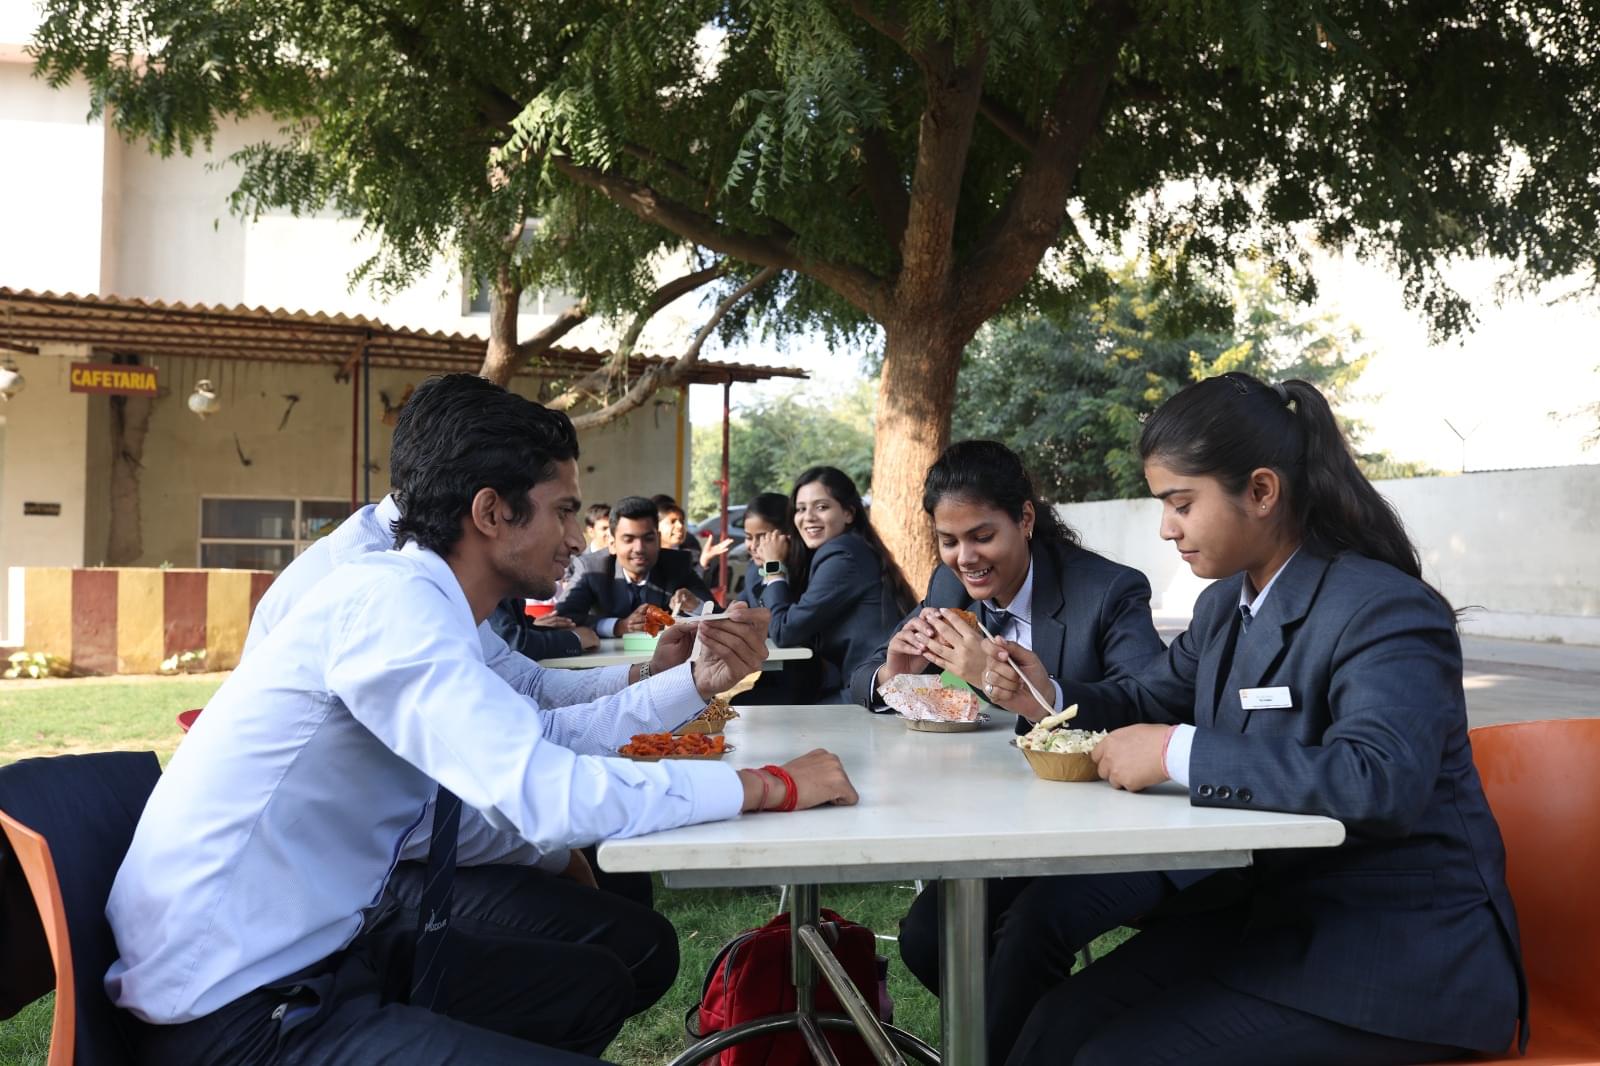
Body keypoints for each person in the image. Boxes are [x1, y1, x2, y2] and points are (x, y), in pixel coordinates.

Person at [109, 374, 859, 1065]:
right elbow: (547, 795)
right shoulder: (386, 603)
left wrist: (693, 683)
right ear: (492, 512)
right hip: (240, 1012)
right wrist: (769, 788)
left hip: (325, 951)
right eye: (565, 510)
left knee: (591, 984)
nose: (579, 537)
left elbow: (541, 727)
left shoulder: (421, 594)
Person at [985, 373, 1525, 1066]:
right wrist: (1045, 688)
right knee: (1058, 1023)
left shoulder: (1383, 609)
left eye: (1181, 503)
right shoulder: (1224, 609)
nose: (1166, 527)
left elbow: (1382, 779)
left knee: (1110, 1056)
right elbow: (1149, 701)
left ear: (1263, 491)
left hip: (1394, 959)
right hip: (1267, 920)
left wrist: (1181, 753)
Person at [853, 440, 1168, 1062]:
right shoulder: (949, 586)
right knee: (925, 936)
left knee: (1024, 936)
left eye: (981, 536)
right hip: (1004, 821)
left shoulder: (1107, 591)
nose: (965, 558)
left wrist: (1036, 692)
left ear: (1025, 519)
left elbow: (1148, 703)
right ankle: (1033, 1042)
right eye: (948, 540)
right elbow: (872, 674)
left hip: (1107, 825)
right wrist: (895, 675)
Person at [754, 466, 915, 703]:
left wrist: (773, 567)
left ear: (848, 513)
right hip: (863, 683)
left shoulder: (842, 555)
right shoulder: (846, 549)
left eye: (821, 507)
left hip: (875, 689)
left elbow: (783, 631)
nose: (808, 517)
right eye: (801, 509)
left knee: (770, 718)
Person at [557, 496, 715, 630]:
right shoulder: (591, 568)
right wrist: (618, 626)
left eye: (648, 539)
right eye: (628, 539)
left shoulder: (677, 565)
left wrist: (696, 606)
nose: (639, 549)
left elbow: (718, 615)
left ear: (659, 539)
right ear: (612, 543)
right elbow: (564, 618)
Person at [731, 492, 817, 703]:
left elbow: (782, 630)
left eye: (762, 537)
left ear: (787, 535)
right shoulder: (753, 571)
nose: (752, 546)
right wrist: (697, 606)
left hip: (808, 680)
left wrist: (773, 566)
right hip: (772, 676)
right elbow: (738, 609)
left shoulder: (807, 573)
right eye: (748, 537)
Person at [654, 493, 733, 583]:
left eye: (681, 521)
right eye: (672, 521)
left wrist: (704, 560)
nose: (680, 526)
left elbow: (696, 588)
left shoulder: (689, 551)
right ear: (655, 526)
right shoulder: (647, 557)